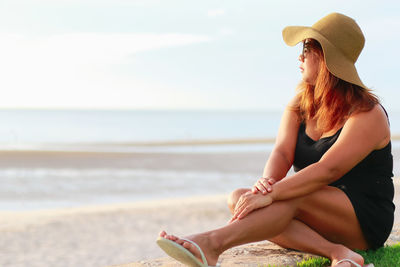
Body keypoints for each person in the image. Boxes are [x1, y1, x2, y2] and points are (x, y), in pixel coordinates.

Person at [156, 12, 395, 267]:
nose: (299, 57)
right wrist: (266, 186)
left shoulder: (367, 114)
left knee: (290, 196)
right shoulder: (300, 105)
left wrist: (273, 194)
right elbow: (282, 152)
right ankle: (339, 252)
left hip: (363, 219)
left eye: (306, 47)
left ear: (326, 57)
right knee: (239, 198)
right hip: (313, 210)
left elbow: (328, 169)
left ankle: (212, 243)